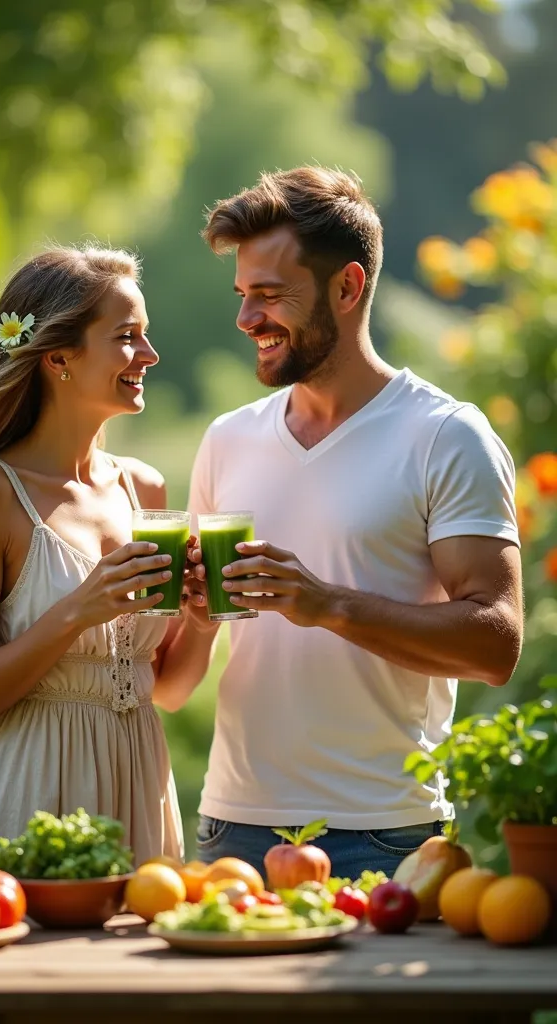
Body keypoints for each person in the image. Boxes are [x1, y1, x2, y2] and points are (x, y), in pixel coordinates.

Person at [181, 167, 523, 880]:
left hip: (383, 835)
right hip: (231, 827)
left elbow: (496, 643)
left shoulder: (444, 435)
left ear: (347, 287)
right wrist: (189, 611)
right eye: (243, 296)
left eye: (270, 296)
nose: (247, 320)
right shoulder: (227, 439)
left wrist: (328, 604)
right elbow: (187, 659)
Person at [0, 245, 214, 871]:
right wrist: (78, 610)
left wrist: (202, 619)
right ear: (59, 357)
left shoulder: (146, 490)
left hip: (140, 785)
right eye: (128, 337)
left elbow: (164, 689)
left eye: (147, 335)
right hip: (31, 790)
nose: (150, 355)